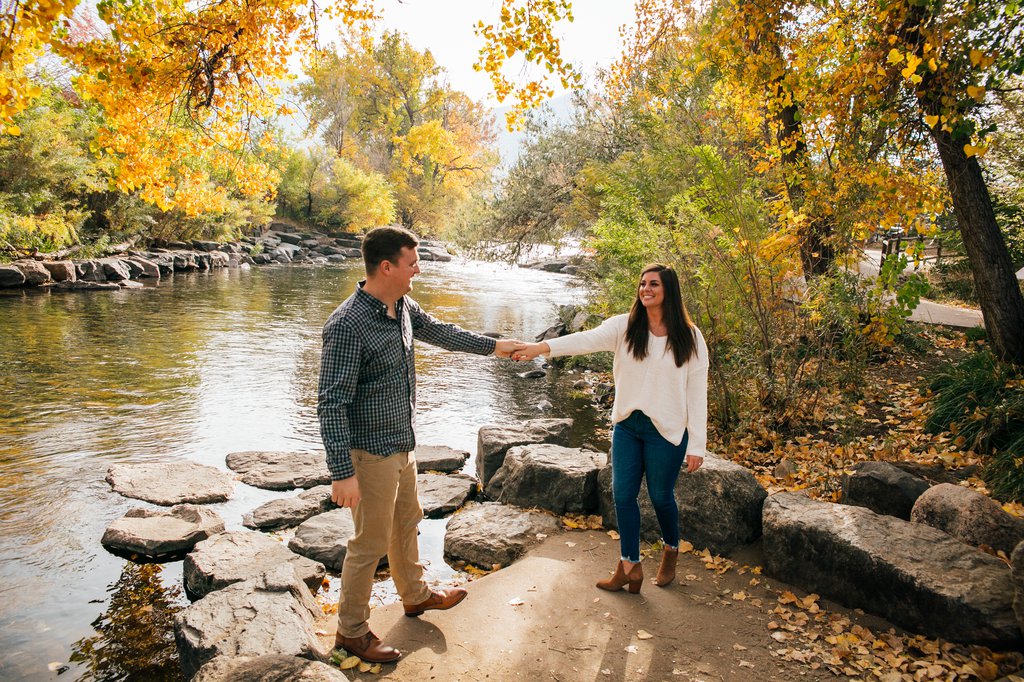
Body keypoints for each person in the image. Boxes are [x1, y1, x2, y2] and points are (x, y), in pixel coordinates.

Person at [318, 225, 525, 663]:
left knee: (406, 522)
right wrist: (342, 473)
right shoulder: (347, 325)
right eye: (412, 263)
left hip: (402, 443)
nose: (419, 269)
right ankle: (351, 632)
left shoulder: (403, 305)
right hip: (368, 452)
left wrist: (496, 347)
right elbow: (330, 404)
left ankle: (414, 595)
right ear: (387, 266)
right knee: (369, 544)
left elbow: (444, 333)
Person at [512, 263, 708, 593]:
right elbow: (584, 340)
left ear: (668, 290)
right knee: (622, 495)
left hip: (668, 431)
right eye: (642, 283)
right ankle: (629, 565)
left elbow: (697, 392)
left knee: (661, 497)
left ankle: (671, 550)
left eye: (654, 284)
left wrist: (697, 445)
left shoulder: (690, 337)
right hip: (628, 426)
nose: (646, 289)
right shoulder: (624, 326)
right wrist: (540, 348)